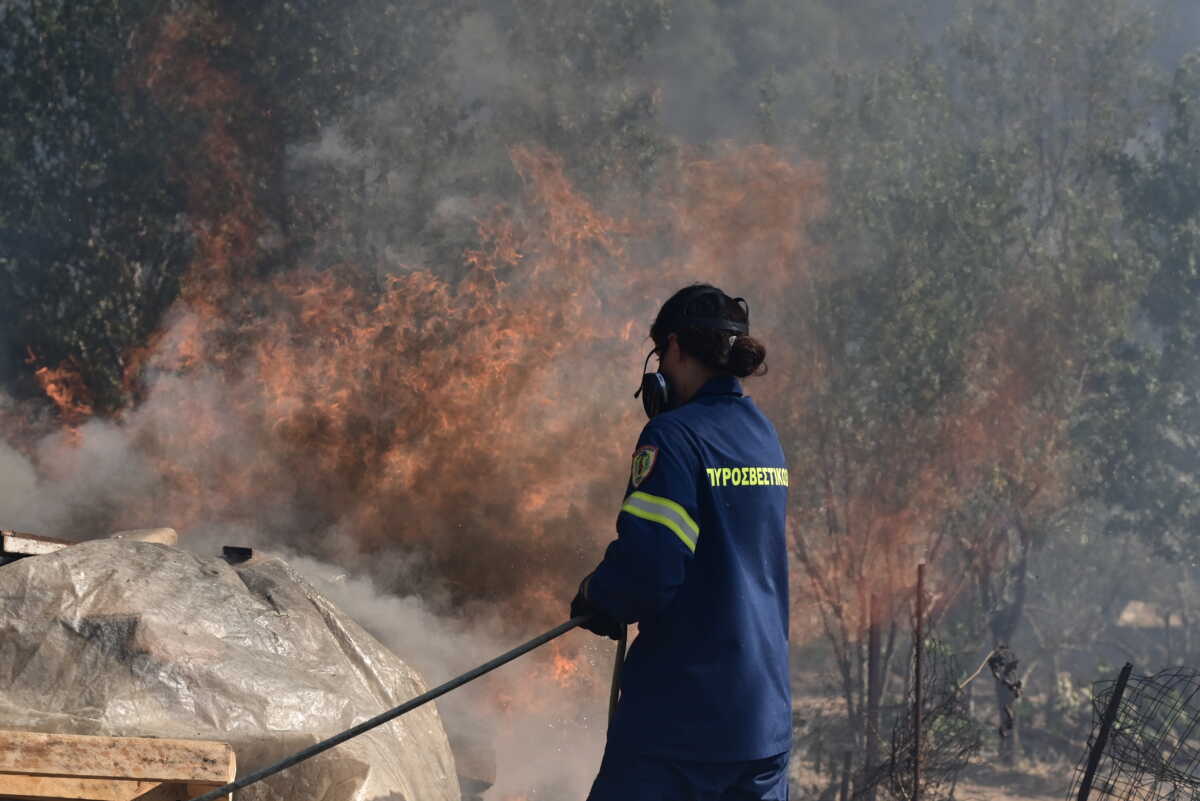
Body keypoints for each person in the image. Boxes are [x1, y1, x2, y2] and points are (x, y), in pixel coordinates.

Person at [571, 284, 792, 801]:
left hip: (682, 724)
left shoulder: (673, 435)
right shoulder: (762, 434)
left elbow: (650, 567)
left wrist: (597, 597)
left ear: (673, 347)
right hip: (762, 720)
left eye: (659, 356)